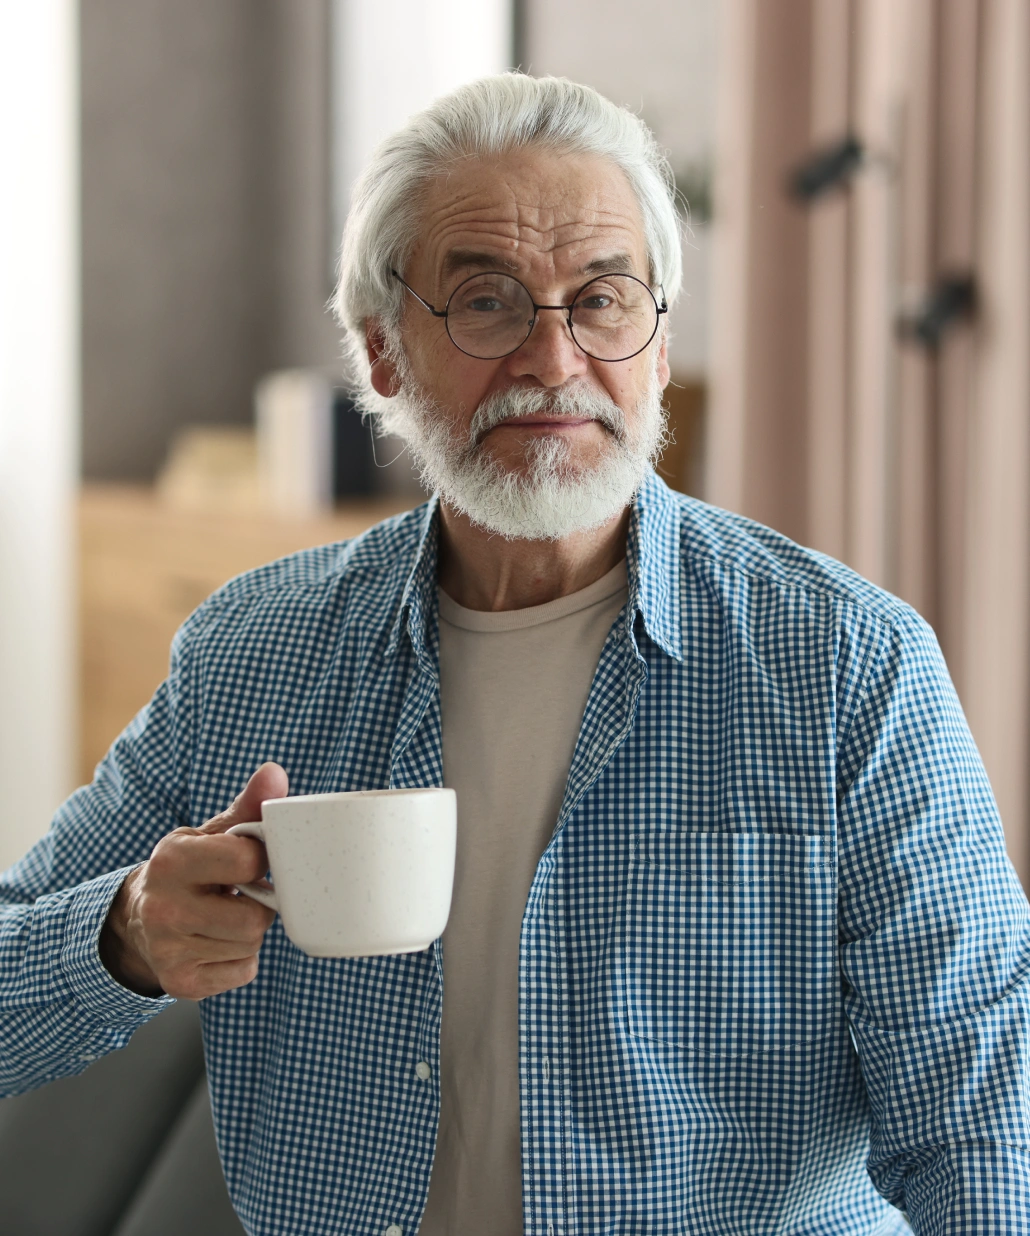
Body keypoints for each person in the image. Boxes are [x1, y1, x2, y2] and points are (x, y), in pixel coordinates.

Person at [1, 73, 1028, 1236]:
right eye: (487, 303)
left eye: (600, 300)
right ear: (384, 352)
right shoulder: (250, 655)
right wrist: (128, 933)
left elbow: (979, 1120)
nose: (553, 359)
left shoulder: (848, 666)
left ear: (656, 340)